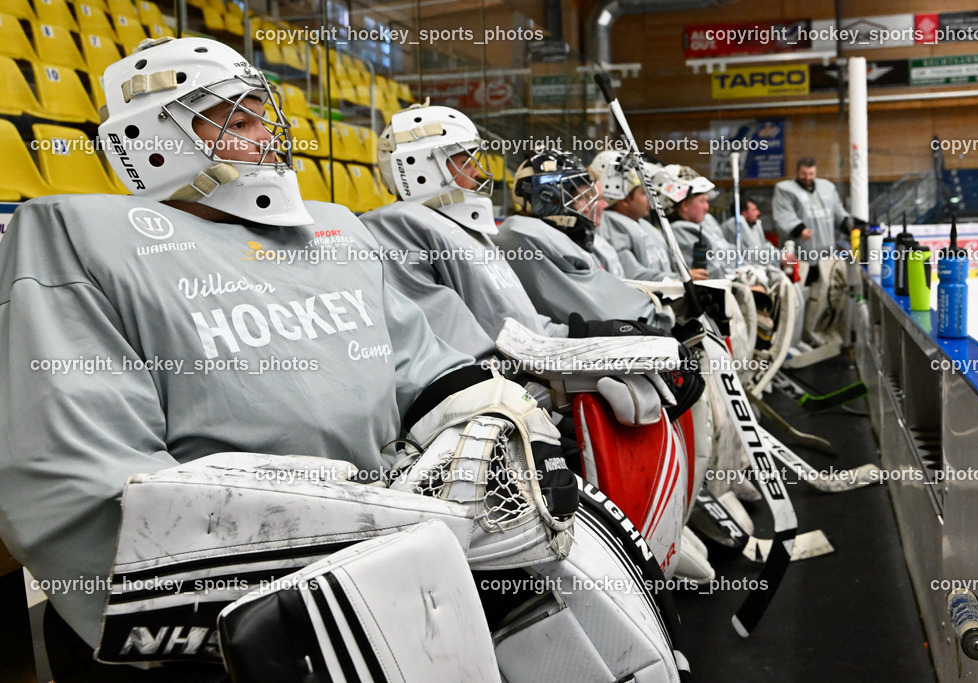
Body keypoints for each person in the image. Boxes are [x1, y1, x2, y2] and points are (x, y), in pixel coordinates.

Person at [0, 37, 572, 680]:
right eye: (236, 120)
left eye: (262, 113)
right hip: (231, 604)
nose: (268, 135)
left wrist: (506, 417)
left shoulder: (335, 231)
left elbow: (421, 366)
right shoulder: (77, 240)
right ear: (151, 141)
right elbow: (82, 474)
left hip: (390, 559)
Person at [360, 103, 566, 359]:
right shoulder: (397, 225)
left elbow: (522, 321)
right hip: (497, 384)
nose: (477, 172)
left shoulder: (464, 229)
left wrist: (580, 333)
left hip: (531, 365)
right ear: (420, 168)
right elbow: (454, 348)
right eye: (464, 161)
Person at [493, 147, 675, 331]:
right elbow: (598, 311)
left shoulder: (560, 236)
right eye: (584, 196)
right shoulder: (525, 233)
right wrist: (658, 313)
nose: (598, 204)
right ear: (549, 199)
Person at [588, 151, 676, 281]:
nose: (651, 199)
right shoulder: (611, 223)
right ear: (623, 198)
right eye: (644, 193)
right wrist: (678, 279)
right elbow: (631, 274)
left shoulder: (645, 225)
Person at [771, 157, 857, 276]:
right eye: (803, 174)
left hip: (827, 257)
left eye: (811, 174)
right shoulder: (785, 190)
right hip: (799, 258)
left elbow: (838, 214)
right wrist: (799, 229)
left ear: (815, 172)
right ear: (796, 171)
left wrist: (853, 225)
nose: (807, 177)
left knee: (828, 290)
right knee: (800, 292)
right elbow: (783, 214)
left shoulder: (827, 187)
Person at [653, 165, 732, 280]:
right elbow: (712, 272)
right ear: (684, 205)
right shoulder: (679, 230)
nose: (706, 208)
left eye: (707, 201)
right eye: (702, 201)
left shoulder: (700, 223)